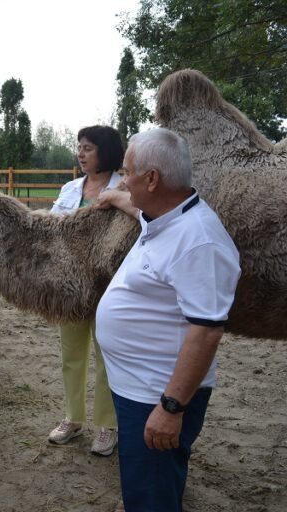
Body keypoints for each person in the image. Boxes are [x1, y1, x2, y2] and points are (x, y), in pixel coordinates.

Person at [94, 128, 240, 511]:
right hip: (137, 388)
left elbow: (207, 332)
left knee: (151, 497)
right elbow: (137, 208)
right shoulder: (166, 216)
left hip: (157, 397)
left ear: (153, 178)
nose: (123, 180)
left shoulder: (199, 240)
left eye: (127, 173)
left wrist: (171, 408)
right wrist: (114, 197)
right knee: (145, 487)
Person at [47, 125, 123, 456]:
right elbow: (52, 229)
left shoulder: (125, 189)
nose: (80, 153)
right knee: (71, 354)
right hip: (72, 287)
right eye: (79, 147)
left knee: (108, 355)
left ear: (105, 152)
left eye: (88, 148)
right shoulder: (69, 189)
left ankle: (108, 426)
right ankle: (72, 418)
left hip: (110, 285)